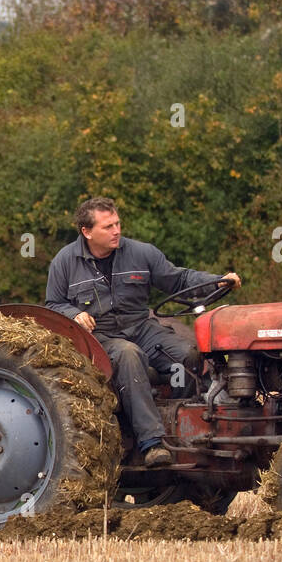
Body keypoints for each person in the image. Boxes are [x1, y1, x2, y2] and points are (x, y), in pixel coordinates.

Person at [45, 197, 240, 466]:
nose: (116, 231)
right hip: (100, 336)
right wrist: (74, 314)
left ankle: (184, 429)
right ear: (86, 232)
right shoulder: (65, 262)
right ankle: (151, 442)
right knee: (128, 355)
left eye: (118, 223)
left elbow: (179, 279)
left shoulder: (141, 253)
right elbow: (53, 304)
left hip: (141, 326)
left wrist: (216, 281)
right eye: (107, 227)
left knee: (186, 356)